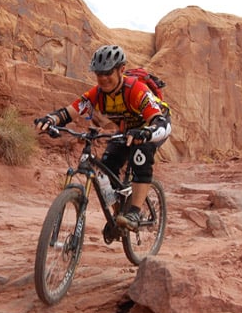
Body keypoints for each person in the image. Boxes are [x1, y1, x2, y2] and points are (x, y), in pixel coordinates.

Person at [35, 44, 172, 231]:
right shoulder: (97, 94)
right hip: (126, 130)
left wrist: (147, 133)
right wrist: (51, 119)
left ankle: (134, 211)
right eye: (99, 73)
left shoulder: (136, 90)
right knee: (106, 170)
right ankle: (119, 217)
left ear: (121, 70)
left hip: (152, 126)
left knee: (141, 155)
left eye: (108, 73)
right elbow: (70, 111)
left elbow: (161, 123)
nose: (103, 78)